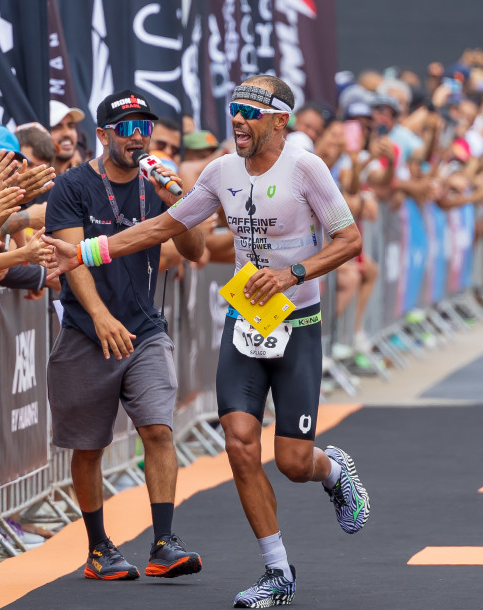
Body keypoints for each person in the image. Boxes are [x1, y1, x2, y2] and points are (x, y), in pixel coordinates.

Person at [44, 76, 370, 607]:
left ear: (279, 120)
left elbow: (350, 239)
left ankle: (333, 471)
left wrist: (292, 274)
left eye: (250, 112)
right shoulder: (221, 171)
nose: (238, 119)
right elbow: (161, 229)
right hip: (246, 321)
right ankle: (277, 571)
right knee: (239, 442)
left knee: (292, 462)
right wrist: (85, 254)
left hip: (298, 323)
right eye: (234, 109)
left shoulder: (307, 168)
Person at [44, 89, 206, 581]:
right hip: (85, 332)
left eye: (145, 128)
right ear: (103, 135)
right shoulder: (72, 186)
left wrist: (178, 201)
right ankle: (98, 549)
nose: (139, 137)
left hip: (145, 331)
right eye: (128, 128)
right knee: (89, 446)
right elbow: (71, 259)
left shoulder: (158, 183)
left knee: (158, 429)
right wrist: (98, 316)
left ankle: (164, 543)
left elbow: (195, 250)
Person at [49, 100, 85, 174]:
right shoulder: (30, 179)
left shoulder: (89, 176)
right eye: (56, 127)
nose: (67, 133)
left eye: (71, 126)